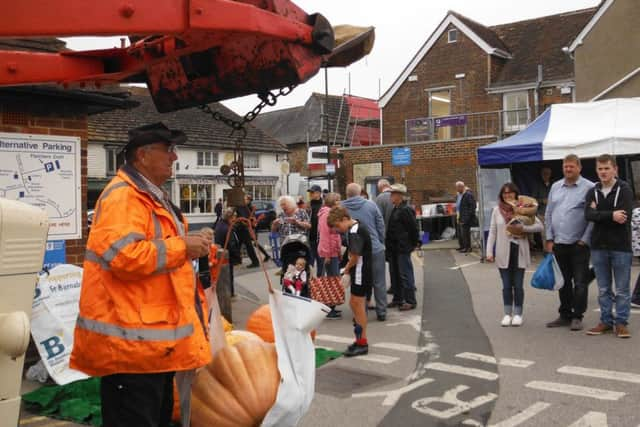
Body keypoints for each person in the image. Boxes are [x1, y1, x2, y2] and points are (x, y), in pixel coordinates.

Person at [70, 122, 212, 427]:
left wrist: (198, 249)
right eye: (168, 149)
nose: (174, 157)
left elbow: (161, 256)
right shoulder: (125, 197)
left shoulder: (148, 196)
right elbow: (124, 257)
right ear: (142, 155)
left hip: (149, 347)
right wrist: (182, 246)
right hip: (131, 349)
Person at [584, 154, 633, 338]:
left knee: (622, 289)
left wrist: (599, 212)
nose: (603, 172)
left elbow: (624, 216)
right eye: (600, 169)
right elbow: (587, 214)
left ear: (615, 169)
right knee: (603, 289)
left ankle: (621, 323)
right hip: (598, 247)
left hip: (620, 247)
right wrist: (610, 215)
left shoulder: (625, 189)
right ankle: (605, 321)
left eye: (606, 168)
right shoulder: (593, 190)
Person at [545, 154, 594, 331]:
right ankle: (564, 314)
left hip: (578, 244)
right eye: (565, 166)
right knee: (563, 282)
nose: (568, 169)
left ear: (579, 168)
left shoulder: (590, 187)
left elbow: (592, 218)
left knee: (580, 283)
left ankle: (577, 316)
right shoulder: (556, 187)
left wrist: (585, 240)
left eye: (571, 166)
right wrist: (549, 238)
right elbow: (549, 214)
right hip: (559, 243)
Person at [486, 183, 543, 326]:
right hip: (502, 252)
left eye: (510, 193)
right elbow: (493, 231)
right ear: (501, 195)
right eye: (505, 193)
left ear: (516, 194)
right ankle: (507, 314)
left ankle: (518, 314)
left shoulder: (523, 209)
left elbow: (539, 226)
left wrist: (522, 228)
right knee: (506, 285)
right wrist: (489, 252)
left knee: (518, 285)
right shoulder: (496, 211)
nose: (508, 196)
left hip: (519, 251)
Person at [328, 206, 372, 357]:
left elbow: (355, 256)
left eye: (337, 225)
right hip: (362, 270)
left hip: (360, 271)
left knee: (357, 305)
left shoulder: (354, 231)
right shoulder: (356, 225)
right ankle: (360, 340)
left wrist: (345, 270)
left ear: (345, 219)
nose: (337, 229)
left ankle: (362, 343)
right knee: (355, 304)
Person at [341, 183, 387, 321]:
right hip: (375, 248)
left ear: (347, 193)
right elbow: (380, 224)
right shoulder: (371, 205)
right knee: (379, 281)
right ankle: (381, 311)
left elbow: (341, 229)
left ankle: (362, 311)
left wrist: (347, 243)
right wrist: (380, 241)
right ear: (360, 192)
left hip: (356, 250)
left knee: (360, 281)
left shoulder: (342, 208)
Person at [385, 184, 420, 311]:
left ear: (399, 195)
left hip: (402, 247)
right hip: (394, 248)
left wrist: (413, 244)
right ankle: (398, 299)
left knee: (405, 274)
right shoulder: (397, 208)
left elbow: (413, 229)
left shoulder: (405, 209)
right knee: (395, 275)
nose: (390, 196)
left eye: (393, 194)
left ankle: (410, 301)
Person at [317, 192, 343, 319]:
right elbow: (325, 235)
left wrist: (338, 251)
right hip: (328, 253)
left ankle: (331, 307)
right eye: (338, 200)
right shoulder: (326, 214)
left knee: (333, 280)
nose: (340, 202)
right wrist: (327, 254)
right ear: (333, 201)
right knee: (331, 280)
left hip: (332, 252)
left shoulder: (330, 213)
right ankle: (328, 308)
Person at [215, 208, 242, 297]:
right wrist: (237, 258)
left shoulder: (220, 225)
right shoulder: (228, 228)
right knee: (228, 276)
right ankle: (230, 293)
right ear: (230, 218)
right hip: (227, 256)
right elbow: (232, 244)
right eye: (234, 217)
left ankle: (228, 293)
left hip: (221, 254)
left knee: (224, 276)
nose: (235, 219)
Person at [235, 194, 261, 268]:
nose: (245, 200)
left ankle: (255, 261)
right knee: (238, 244)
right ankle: (237, 260)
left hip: (244, 229)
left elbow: (247, 218)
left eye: (246, 199)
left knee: (248, 245)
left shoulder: (246, 207)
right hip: (241, 228)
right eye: (244, 199)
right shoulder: (242, 207)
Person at [245, 194, 271, 263]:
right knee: (253, 243)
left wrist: (252, 223)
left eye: (246, 199)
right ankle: (266, 255)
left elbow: (252, 218)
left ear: (249, 200)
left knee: (254, 243)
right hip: (251, 227)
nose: (245, 200)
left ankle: (266, 255)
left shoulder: (249, 207)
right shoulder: (248, 207)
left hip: (251, 228)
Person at [532, 167, 553, 250]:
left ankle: (554, 251)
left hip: (553, 213)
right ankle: (546, 251)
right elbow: (533, 200)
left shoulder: (554, 185)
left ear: (550, 174)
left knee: (554, 233)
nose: (546, 175)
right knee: (544, 234)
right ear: (541, 174)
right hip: (542, 213)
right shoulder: (537, 185)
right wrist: (542, 201)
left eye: (547, 173)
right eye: (544, 173)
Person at [456, 181, 477, 253]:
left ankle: (467, 247)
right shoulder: (459, 194)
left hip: (465, 217)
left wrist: (467, 217)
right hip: (460, 215)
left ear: (461, 187)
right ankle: (462, 246)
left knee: (465, 233)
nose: (457, 189)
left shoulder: (468, 194)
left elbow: (473, 206)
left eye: (458, 187)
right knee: (460, 232)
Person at [307, 184, 324, 269]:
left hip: (320, 239)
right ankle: (310, 280)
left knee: (320, 262)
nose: (310, 194)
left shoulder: (324, 206)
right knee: (310, 263)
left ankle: (320, 280)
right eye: (310, 192)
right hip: (310, 238)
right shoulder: (308, 205)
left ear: (318, 193)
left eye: (312, 192)